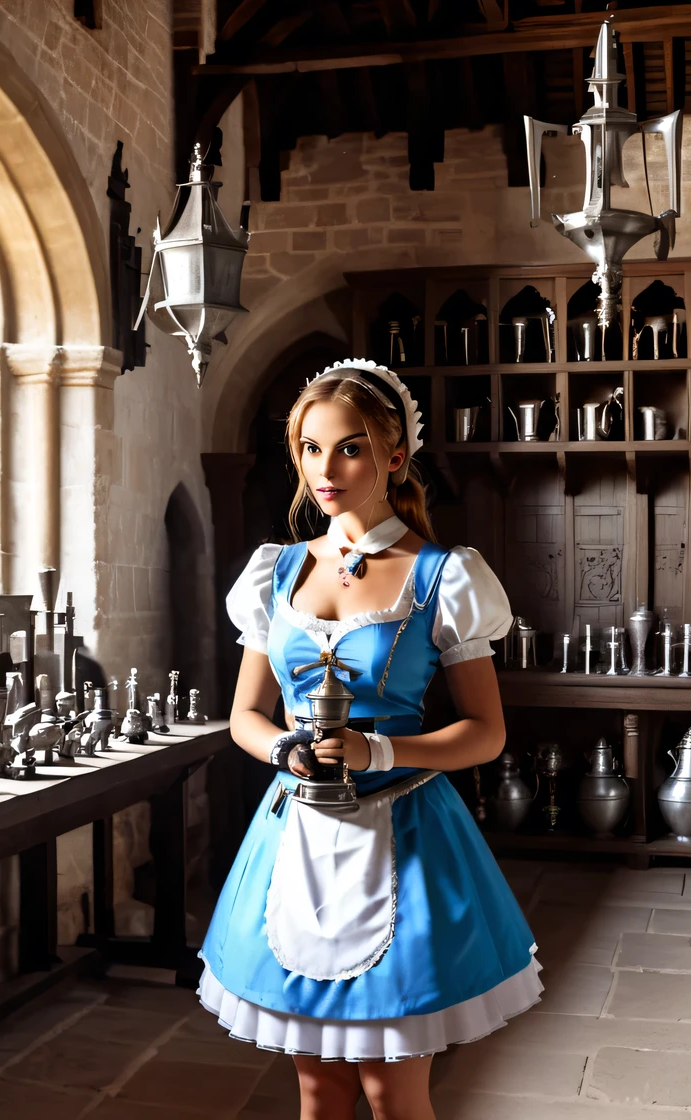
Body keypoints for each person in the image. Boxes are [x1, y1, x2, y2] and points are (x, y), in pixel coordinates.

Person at [197, 360, 541, 1120]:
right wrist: (282, 751)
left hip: (407, 834)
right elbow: (245, 716)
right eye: (311, 450)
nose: (327, 470)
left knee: (394, 1093)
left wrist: (380, 751)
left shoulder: (444, 576)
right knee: (316, 1089)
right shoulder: (275, 572)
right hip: (295, 841)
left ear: (394, 456)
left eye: (349, 448)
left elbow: (486, 734)